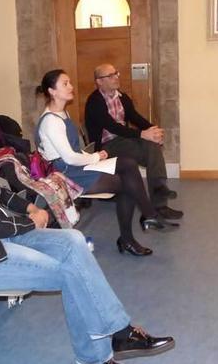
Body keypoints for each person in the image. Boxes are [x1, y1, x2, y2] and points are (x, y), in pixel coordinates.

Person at [0, 100, 174, 364]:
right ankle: (98, 354)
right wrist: (30, 221)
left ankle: (116, 337)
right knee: (69, 273)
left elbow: (0, 195)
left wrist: (29, 208)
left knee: (74, 241)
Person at [37, 69, 175, 257]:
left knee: (127, 164)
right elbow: (69, 158)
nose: (71, 87)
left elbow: (75, 154)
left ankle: (146, 218)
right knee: (127, 183)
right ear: (52, 91)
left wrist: (92, 157)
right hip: (68, 173)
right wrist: (96, 157)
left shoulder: (62, 114)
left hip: (77, 165)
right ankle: (139, 227)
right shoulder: (51, 121)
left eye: (69, 82)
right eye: (65, 84)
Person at [85, 63, 182, 220]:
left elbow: (135, 117)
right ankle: (158, 199)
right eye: (110, 76)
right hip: (106, 147)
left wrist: (154, 130)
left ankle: (159, 200)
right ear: (99, 81)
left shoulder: (122, 97)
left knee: (152, 145)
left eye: (116, 73)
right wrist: (143, 134)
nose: (116, 77)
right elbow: (113, 127)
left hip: (124, 141)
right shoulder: (94, 101)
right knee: (148, 144)